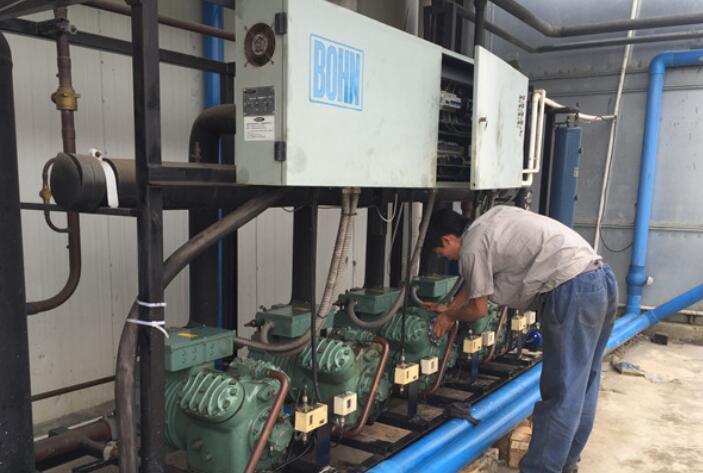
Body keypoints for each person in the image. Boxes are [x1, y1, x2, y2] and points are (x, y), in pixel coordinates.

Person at [422, 205, 618, 473]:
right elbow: (474, 283)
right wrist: (450, 307)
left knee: (560, 392)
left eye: (440, 252)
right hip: (600, 279)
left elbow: (478, 309)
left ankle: (541, 469)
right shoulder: (486, 223)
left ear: (447, 239)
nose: (444, 258)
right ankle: (567, 462)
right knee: (583, 384)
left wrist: (450, 317)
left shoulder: (471, 248)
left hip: (572, 290)